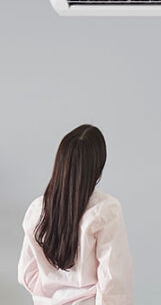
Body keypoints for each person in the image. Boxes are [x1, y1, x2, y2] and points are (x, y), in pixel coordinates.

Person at [18, 124, 133, 305]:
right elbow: (113, 281)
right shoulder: (106, 210)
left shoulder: (37, 210)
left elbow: (27, 273)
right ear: (97, 166)